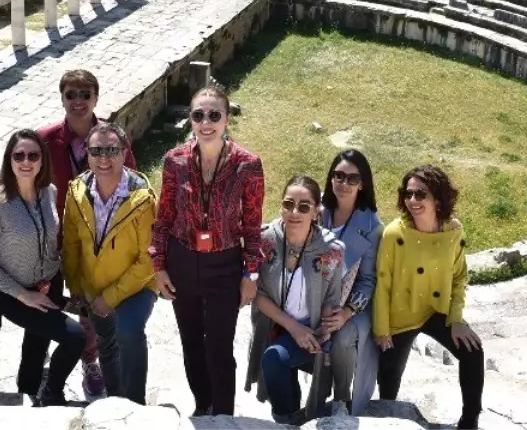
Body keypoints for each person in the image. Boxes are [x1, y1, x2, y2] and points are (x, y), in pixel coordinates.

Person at [150, 85, 265, 417]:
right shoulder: (175, 161)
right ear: (191, 119)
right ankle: (203, 404)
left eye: (214, 114)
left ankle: (224, 416)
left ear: (227, 118)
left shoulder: (248, 165)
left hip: (224, 265)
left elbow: (252, 225)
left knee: (218, 346)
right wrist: (159, 265)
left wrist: (250, 273)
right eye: (198, 114)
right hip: (182, 259)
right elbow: (164, 217)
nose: (206, 122)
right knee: (191, 342)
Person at [37, 69, 138, 399]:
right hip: (58, 241)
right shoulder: (46, 139)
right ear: (62, 98)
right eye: (71, 94)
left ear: (96, 97)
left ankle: (93, 360)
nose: (78, 101)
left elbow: (133, 182)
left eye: (85, 94)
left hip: (104, 240)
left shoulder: (113, 138)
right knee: (57, 305)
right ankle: (60, 363)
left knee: (97, 306)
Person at [0, 130, 86, 407]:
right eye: (18, 155)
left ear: (42, 160)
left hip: (50, 284)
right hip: (15, 295)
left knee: (37, 344)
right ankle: (52, 394)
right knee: (75, 337)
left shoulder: (49, 192)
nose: (26, 161)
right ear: (9, 160)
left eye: (33, 155)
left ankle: (28, 394)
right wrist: (23, 294)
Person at [374, 165, 484, 430]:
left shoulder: (453, 231)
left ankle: (470, 422)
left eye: (420, 194)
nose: (412, 201)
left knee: (473, 351)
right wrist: (382, 329)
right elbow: (382, 283)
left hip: (436, 310)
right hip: (401, 315)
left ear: (437, 197)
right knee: (388, 380)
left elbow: (459, 277)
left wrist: (456, 319)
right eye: (408, 194)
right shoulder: (394, 233)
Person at [62, 122, 158, 405]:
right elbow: (71, 243)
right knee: (106, 344)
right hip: (94, 285)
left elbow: (148, 259)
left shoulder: (142, 198)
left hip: (136, 285)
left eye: (112, 150)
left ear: (124, 152)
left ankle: (136, 405)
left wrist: (110, 297)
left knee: (128, 331)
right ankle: (116, 403)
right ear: (87, 154)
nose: (104, 158)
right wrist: (76, 284)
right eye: (97, 150)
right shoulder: (77, 192)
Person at [244, 176, 344, 425]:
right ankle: (287, 420)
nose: (294, 212)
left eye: (303, 206)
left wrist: (323, 330)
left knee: (278, 359)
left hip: (314, 332)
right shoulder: (265, 240)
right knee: (275, 359)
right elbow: (257, 293)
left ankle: (290, 420)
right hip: (276, 326)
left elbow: (331, 296)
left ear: (316, 211)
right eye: (288, 204)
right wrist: (293, 327)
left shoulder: (331, 249)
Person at [318, 150, 384, 415]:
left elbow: (368, 281)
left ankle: (341, 400)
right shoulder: (318, 212)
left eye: (352, 179)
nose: (343, 184)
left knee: (343, 335)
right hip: (316, 296)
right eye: (338, 175)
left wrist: (346, 312)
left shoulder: (372, 226)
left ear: (363, 183)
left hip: (354, 304)